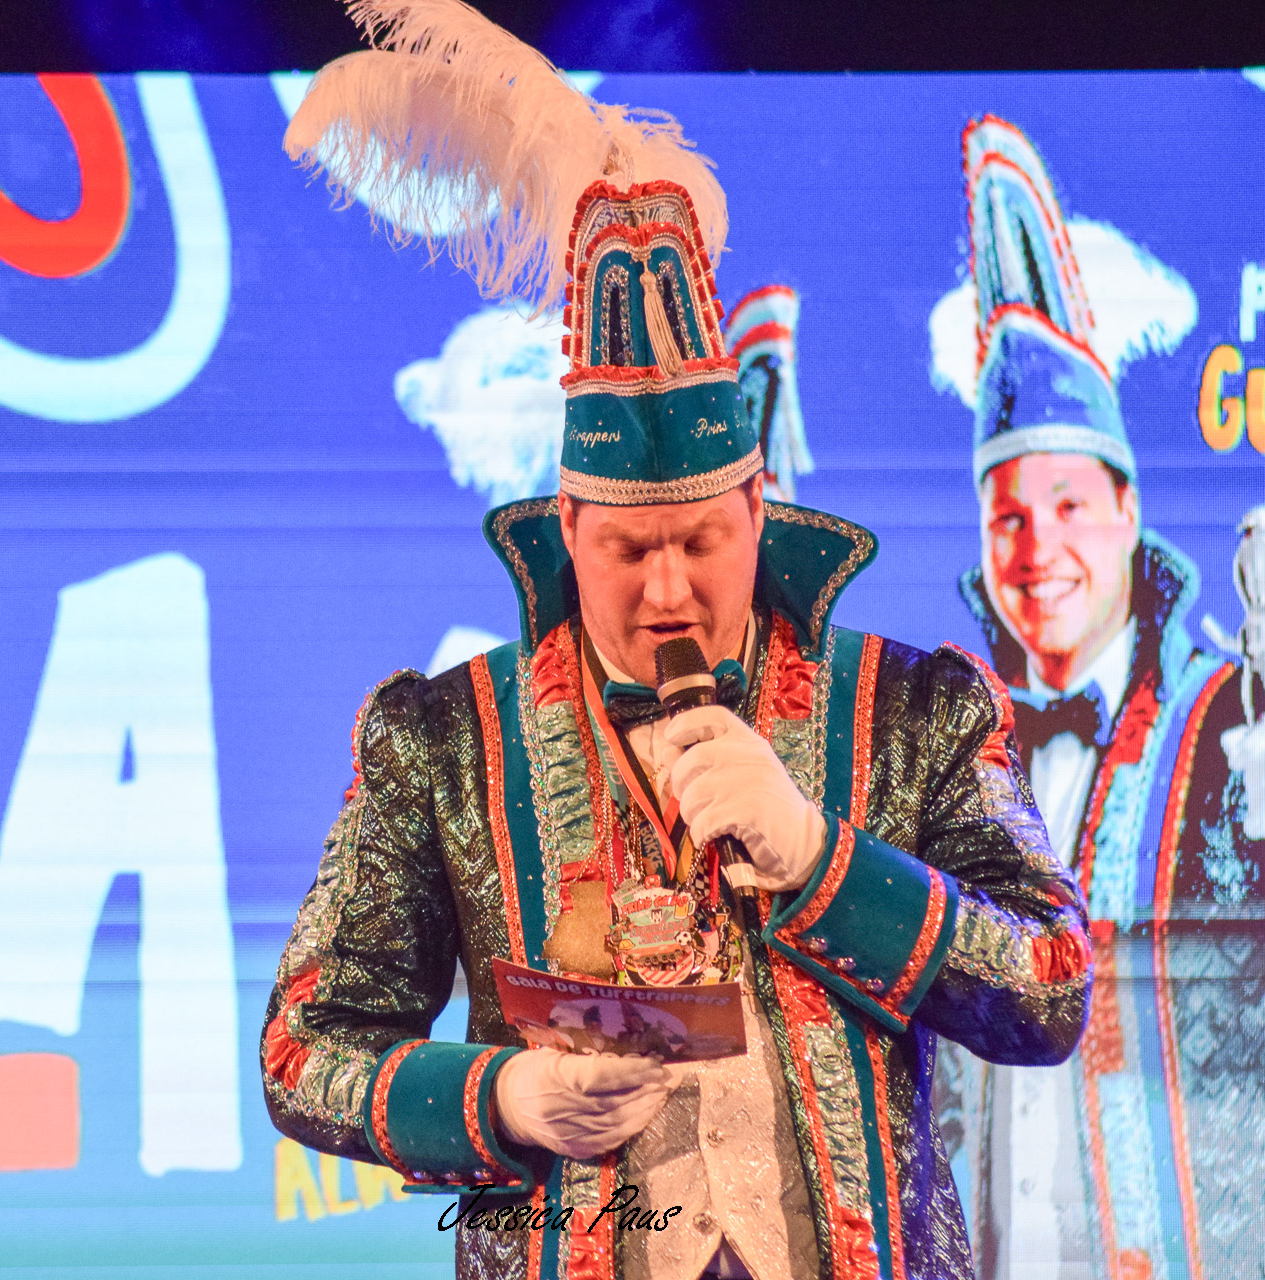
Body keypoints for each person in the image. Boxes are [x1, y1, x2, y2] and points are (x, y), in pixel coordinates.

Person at [260, 9, 1092, 1279]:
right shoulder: (442, 741)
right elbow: (303, 1045)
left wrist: (817, 856)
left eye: (702, 540)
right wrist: (503, 1096)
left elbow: (1050, 982)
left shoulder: (914, 709)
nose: (667, 589)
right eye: (626, 547)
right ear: (566, 525)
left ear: (760, 508)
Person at [936, 116, 1265, 1280]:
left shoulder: (1248, 716)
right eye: (1008, 514)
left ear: (1127, 511)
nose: (1038, 547)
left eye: (1069, 506)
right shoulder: (945, 749)